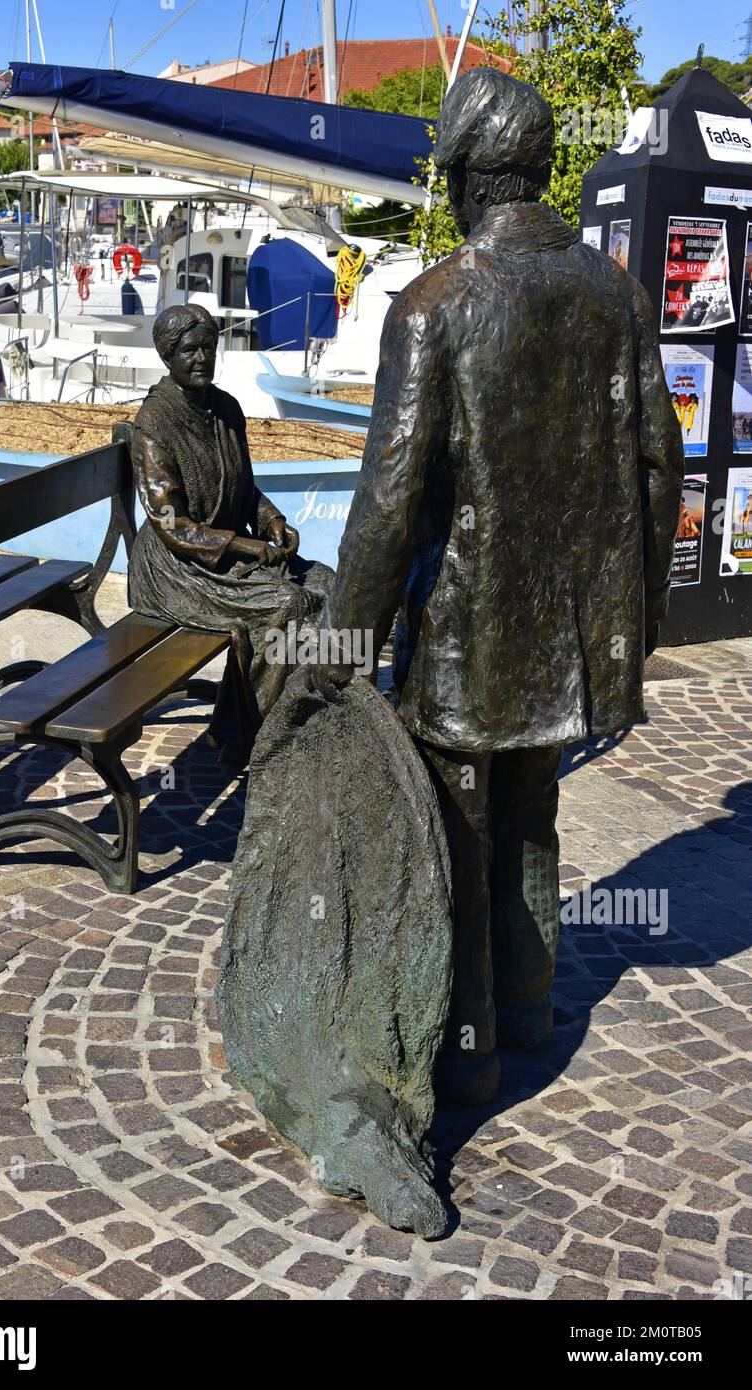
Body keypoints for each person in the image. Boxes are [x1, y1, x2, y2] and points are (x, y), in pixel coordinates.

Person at [308, 68, 684, 1107]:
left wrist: (340, 649)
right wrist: (634, 620)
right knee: (534, 816)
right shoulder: (618, 295)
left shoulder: (436, 306)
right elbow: (662, 466)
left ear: (470, 175)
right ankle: (528, 1005)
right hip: (566, 637)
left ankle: (470, 1051)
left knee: (463, 842)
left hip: (469, 640)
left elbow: (387, 506)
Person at [129, 302, 333, 762]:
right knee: (288, 605)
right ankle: (246, 738)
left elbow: (244, 486)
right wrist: (247, 546)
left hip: (229, 550)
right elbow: (170, 523)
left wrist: (272, 522)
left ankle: (284, 714)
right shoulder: (154, 425)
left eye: (208, 348)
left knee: (325, 583)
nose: (201, 359)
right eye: (189, 351)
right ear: (168, 357)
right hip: (176, 565)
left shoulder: (227, 409)